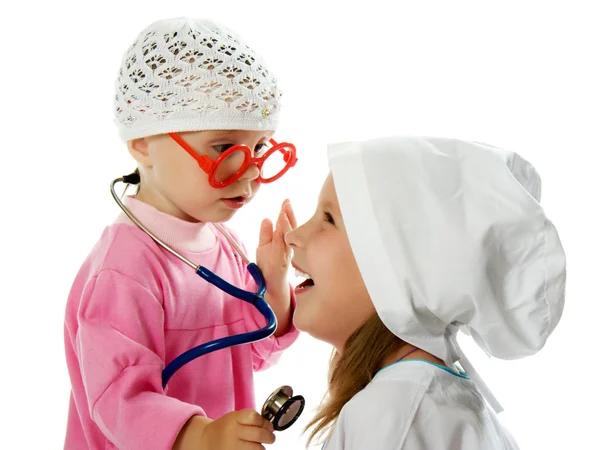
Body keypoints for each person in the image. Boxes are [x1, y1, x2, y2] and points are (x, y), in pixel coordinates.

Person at [64, 17, 299, 450]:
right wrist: (203, 435)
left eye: (261, 148)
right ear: (142, 143)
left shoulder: (223, 244)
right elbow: (117, 397)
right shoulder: (124, 269)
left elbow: (252, 352)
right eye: (225, 148)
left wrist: (276, 282)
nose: (249, 171)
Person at [286, 136, 566, 449]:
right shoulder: (426, 401)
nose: (292, 236)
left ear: (397, 268)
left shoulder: (391, 414)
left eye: (328, 219)